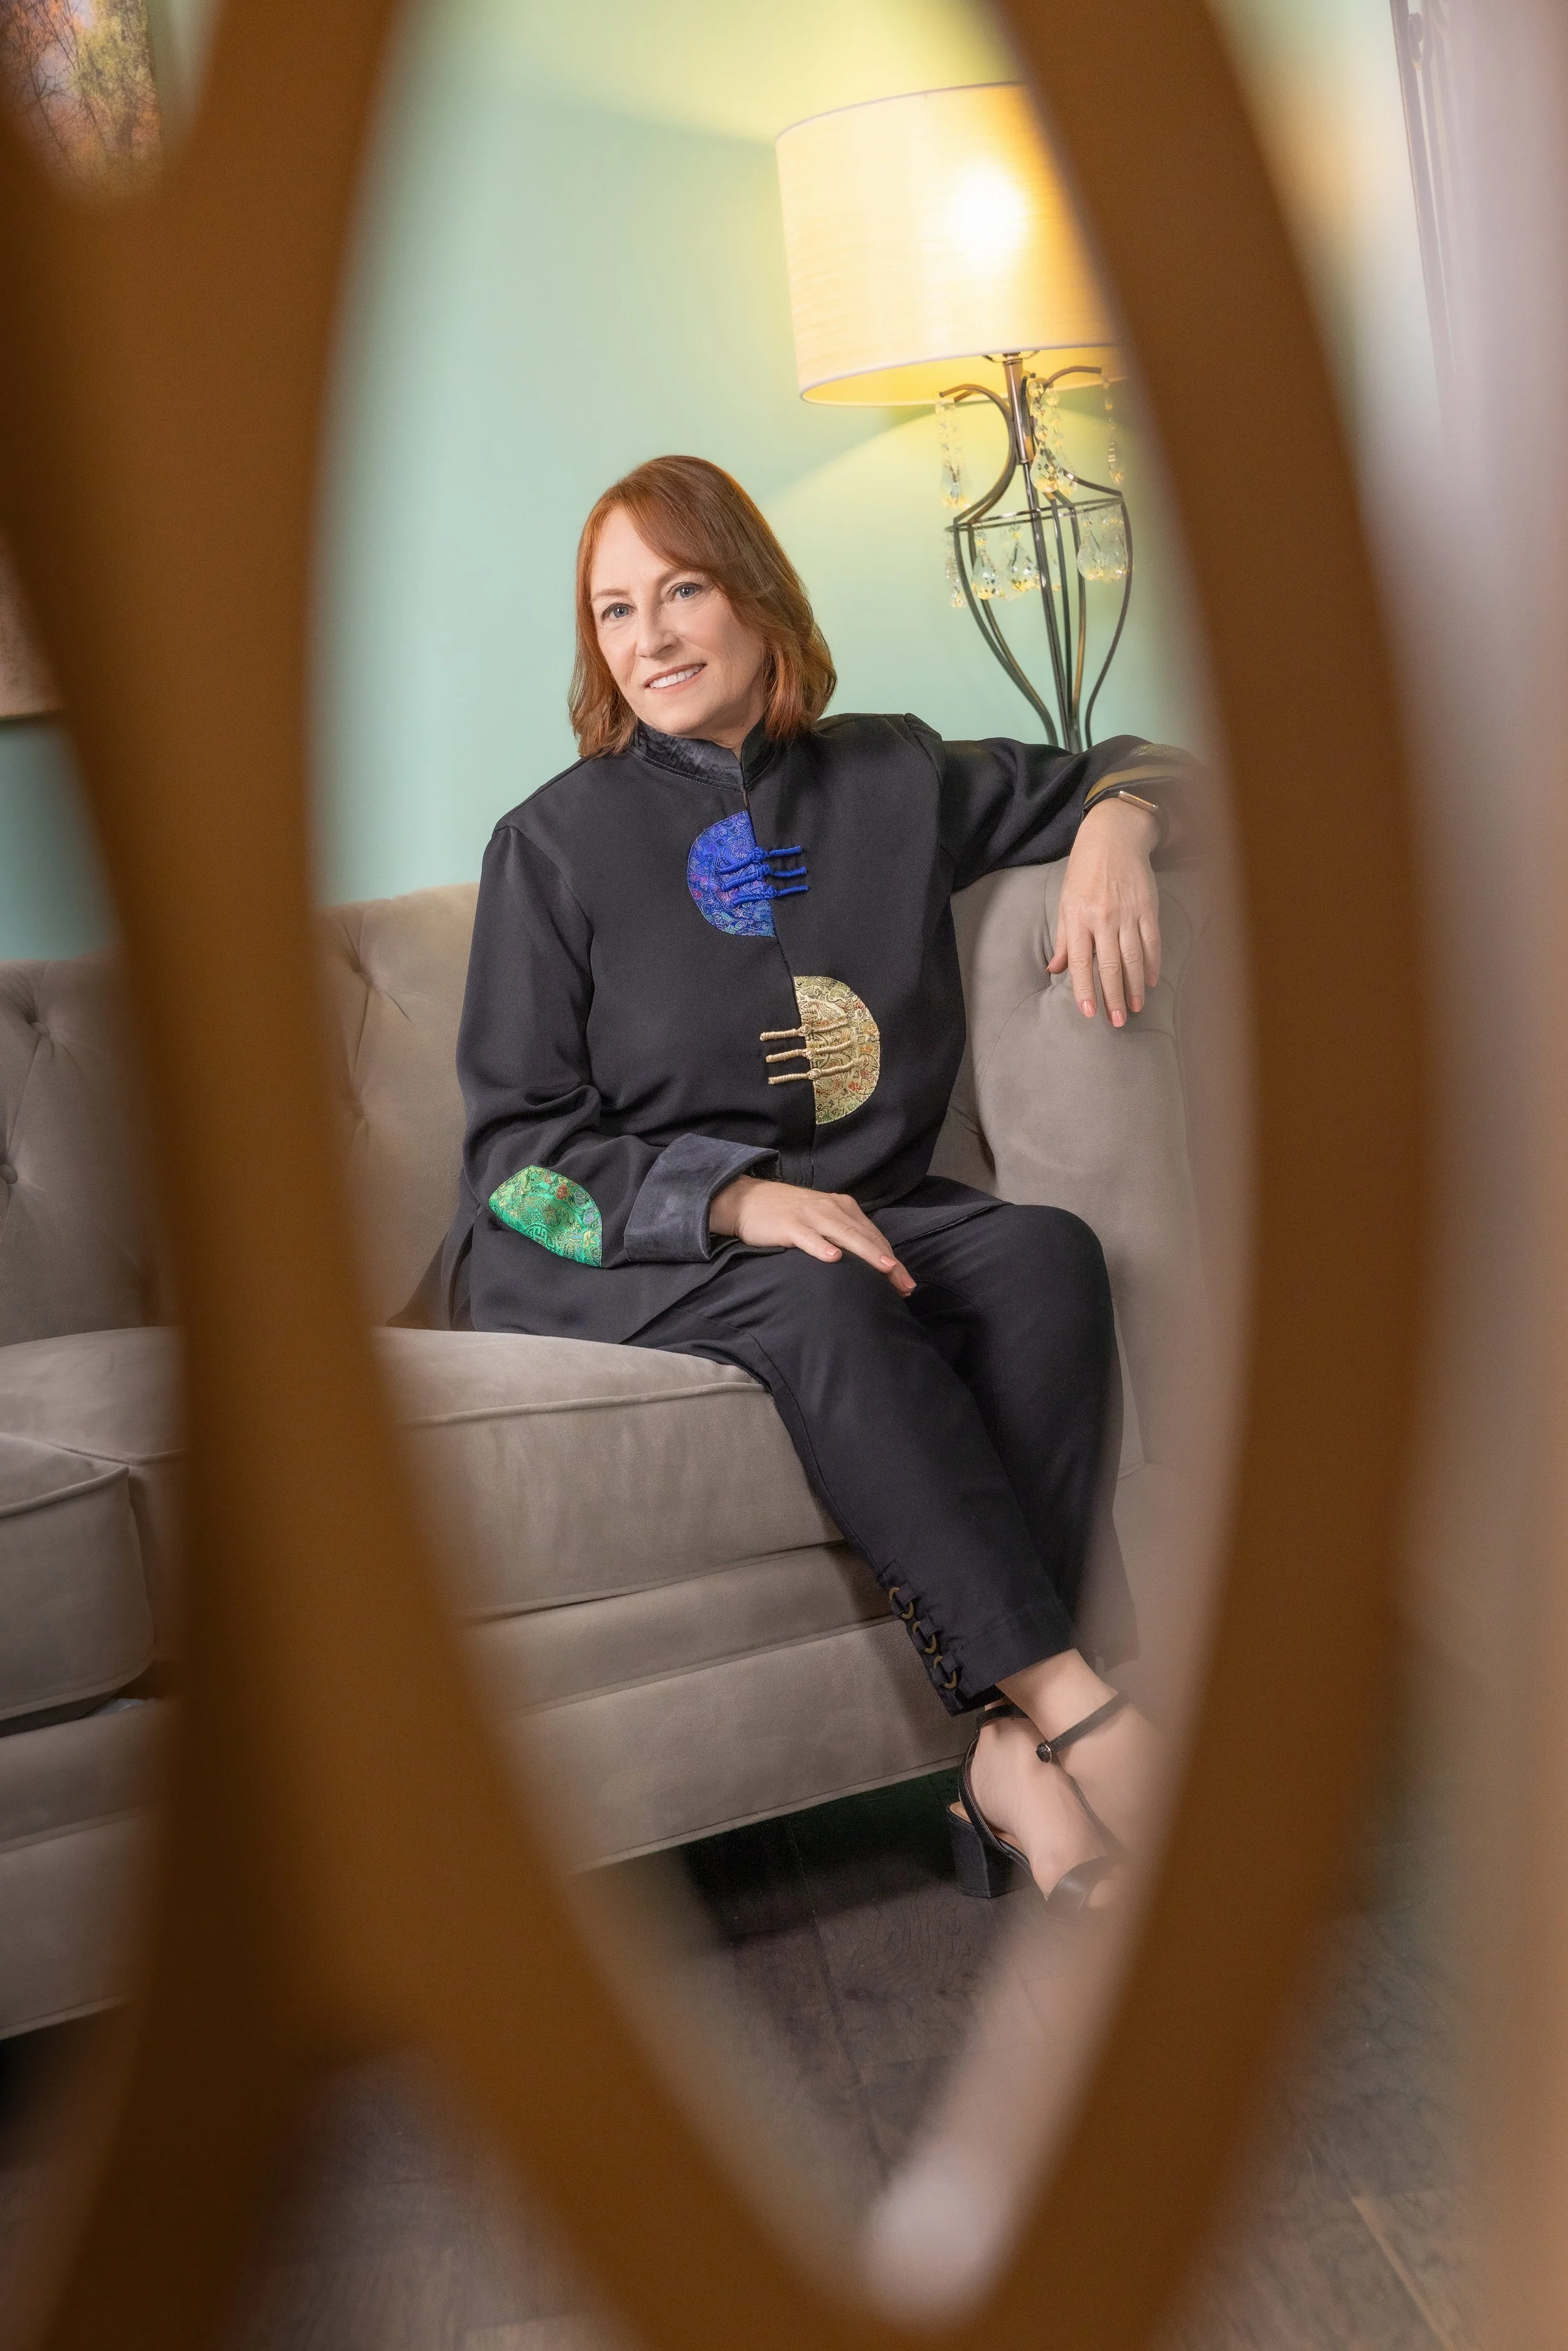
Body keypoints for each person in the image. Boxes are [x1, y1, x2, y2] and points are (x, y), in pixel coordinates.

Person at [441, 454, 1198, 1910]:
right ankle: (1079, 1709)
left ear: (755, 597)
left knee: (1043, 1253)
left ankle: (999, 1760)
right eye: (613, 610)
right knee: (825, 1284)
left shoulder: (891, 776)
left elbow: (1146, 761)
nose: (650, 637)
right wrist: (733, 1198)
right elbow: (513, 1161)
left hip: (864, 1207)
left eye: (680, 589)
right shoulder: (547, 845)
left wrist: (1118, 826)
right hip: (615, 1241)